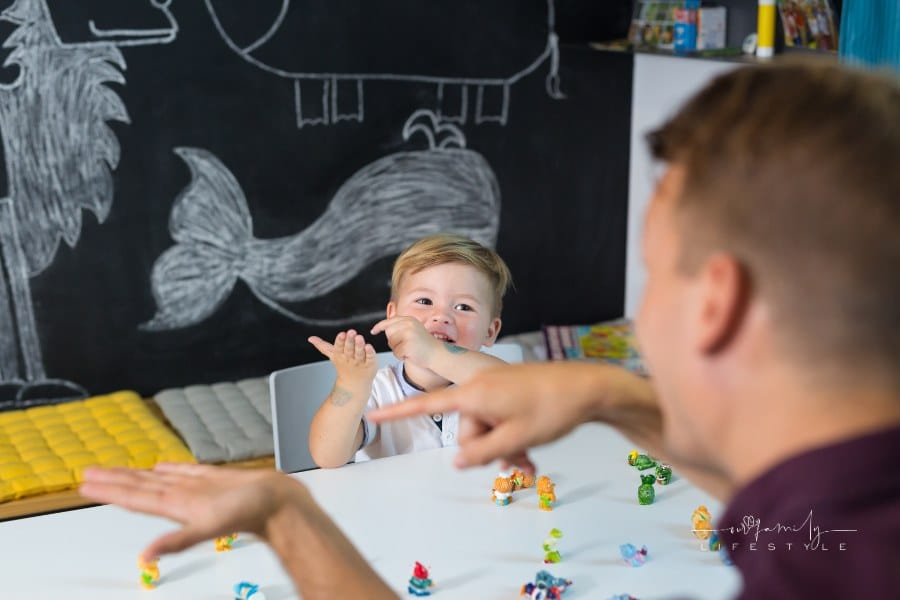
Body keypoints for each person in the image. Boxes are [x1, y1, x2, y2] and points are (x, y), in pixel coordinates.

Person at [80, 61, 900, 598]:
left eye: (654, 274)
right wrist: (617, 396)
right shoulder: (835, 516)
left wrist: (287, 520)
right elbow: (785, 513)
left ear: (715, 303)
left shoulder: (818, 566)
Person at [305, 233, 512, 468]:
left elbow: (515, 388)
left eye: (464, 307)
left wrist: (433, 352)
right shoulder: (377, 392)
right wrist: (350, 385)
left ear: (490, 331)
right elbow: (327, 457)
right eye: (424, 301)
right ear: (393, 315)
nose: (441, 316)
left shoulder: (489, 383)